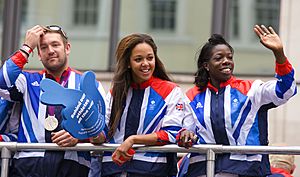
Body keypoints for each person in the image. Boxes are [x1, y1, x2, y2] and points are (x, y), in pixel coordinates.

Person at [177, 25, 297, 176]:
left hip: (244, 169)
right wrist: (185, 135)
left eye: (229, 57)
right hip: (202, 169)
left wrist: (279, 54)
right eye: (219, 58)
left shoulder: (252, 90)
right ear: (206, 65)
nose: (226, 61)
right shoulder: (192, 96)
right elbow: (186, 129)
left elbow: (286, 90)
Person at [0, 25, 106, 177]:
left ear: (67, 48)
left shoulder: (88, 83)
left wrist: (79, 137)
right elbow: (2, 82)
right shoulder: (27, 80)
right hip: (29, 163)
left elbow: (103, 133)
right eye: (43, 47)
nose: (50, 51)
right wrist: (27, 47)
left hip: (72, 163)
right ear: (39, 55)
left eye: (55, 45)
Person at [90, 33, 185, 177]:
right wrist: (91, 129)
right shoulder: (116, 91)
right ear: (128, 63)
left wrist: (133, 140)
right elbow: (103, 132)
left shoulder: (170, 91)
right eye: (138, 59)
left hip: (152, 171)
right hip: (112, 170)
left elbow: (171, 134)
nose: (146, 64)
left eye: (150, 58)